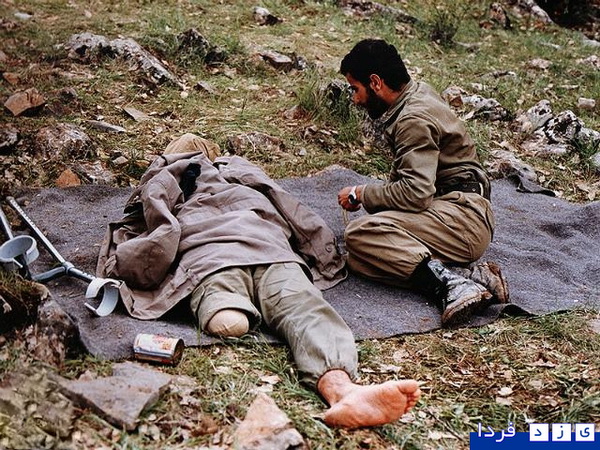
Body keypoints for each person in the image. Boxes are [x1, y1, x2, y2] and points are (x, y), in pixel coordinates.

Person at [97, 133, 421, 429]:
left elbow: (156, 228)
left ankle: (224, 304)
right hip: (269, 247)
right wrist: (320, 252)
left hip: (210, 254)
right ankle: (342, 389)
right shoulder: (241, 173)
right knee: (306, 309)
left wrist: (129, 262)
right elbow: (291, 209)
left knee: (223, 305)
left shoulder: (164, 177)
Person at [337, 39, 509, 328]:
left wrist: (362, 193)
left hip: (463, 220)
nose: (355, 99)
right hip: (458, 208)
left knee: (360, 234)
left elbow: (415, 193)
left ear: (376, 82)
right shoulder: (417, 93)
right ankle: (473, 278)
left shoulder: (412, 118)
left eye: (356, 89)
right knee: (360, 259)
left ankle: (453, 286)